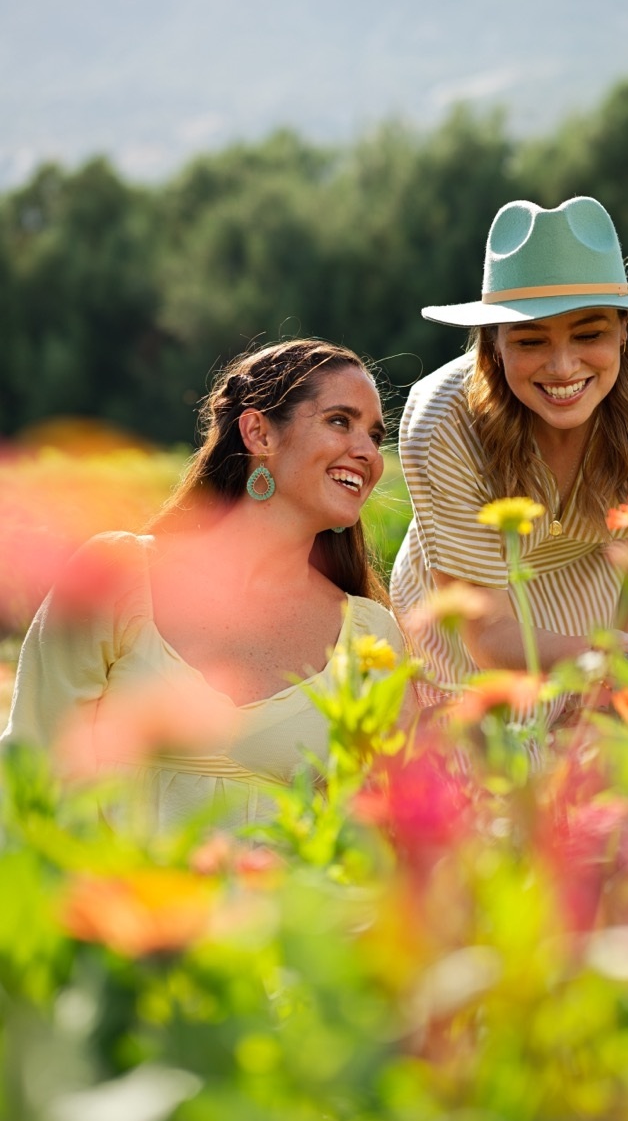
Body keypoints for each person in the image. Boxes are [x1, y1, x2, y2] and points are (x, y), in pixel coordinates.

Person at [5, 338, 407, 826]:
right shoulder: (119, 577)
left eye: (375, 436)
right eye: (340, 421)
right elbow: (32, 766)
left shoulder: (370, 638)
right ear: (258, 433)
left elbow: (382, 826)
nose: (368, 453)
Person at [390, 195, 628, 715]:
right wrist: (609, 656)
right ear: (494, 343)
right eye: (531, 342)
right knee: (494, 755)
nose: (563, 367)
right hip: (471, 627)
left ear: (625, 329)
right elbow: (487, 632)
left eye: (588, 334)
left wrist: (618, 680)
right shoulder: (442, 420)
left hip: (607, 600)